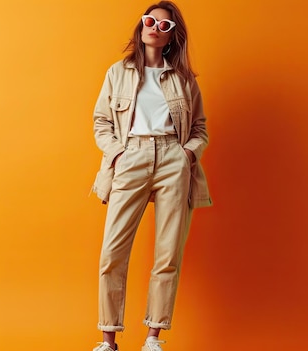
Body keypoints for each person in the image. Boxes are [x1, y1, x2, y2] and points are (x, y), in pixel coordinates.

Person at [90, 1, 212, 351]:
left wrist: (187, 152)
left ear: (173, 36)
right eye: (149, 21)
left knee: (167, 253)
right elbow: (101, 122)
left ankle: (153, 338)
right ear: (140, 26)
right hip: (131, 157)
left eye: (164, 25)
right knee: (113, 252)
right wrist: (118, 153)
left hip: (174, 159)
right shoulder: (119, 72)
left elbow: (200, 128)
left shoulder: (184, 80)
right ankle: (108, 339)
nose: (154, 28)